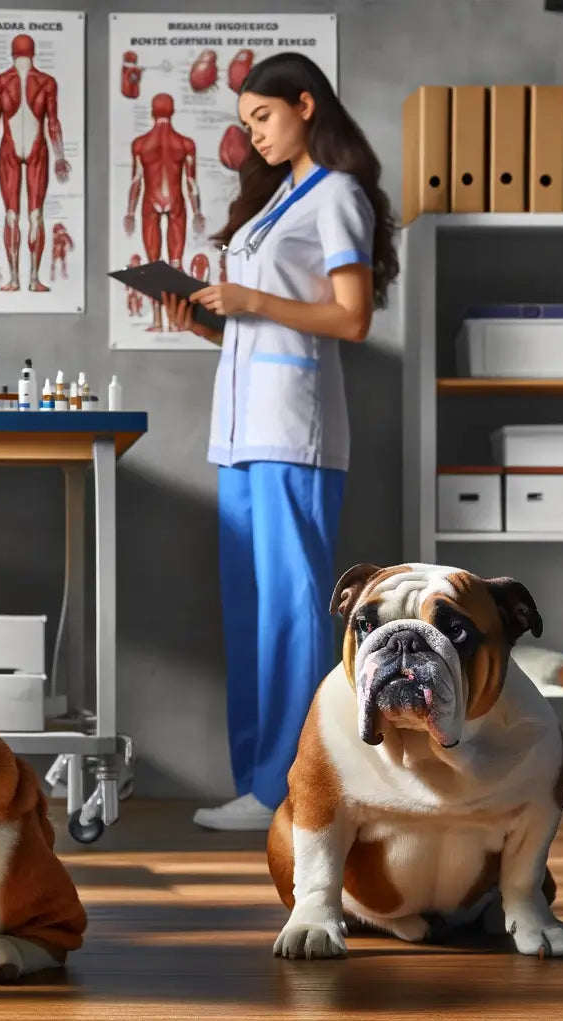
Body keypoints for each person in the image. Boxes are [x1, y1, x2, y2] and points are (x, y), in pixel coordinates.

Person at [159, 53, 399, 831]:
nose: (253, 134)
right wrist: (205, 324)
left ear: (305, 104)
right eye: (245, 123)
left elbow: (352, 318)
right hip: (240, 434)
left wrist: (252, 297)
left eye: (262, 117)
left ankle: (290, 792)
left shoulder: (338, 196)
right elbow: (261, 328)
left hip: (296, 432)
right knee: (250, 613)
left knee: (294, 612)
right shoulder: (274, 203)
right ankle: (255, 784)